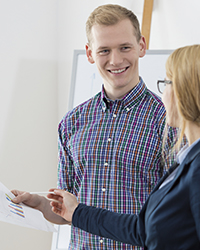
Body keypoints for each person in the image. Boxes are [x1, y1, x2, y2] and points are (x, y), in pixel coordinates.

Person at [11, 4, 179, 250]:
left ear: (141, 46)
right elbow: (67, 211)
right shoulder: (71, 123)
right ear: (89, 54)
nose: (115, 60)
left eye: (124, 47)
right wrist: (39, 203)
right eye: (104, 50)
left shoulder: (168, 120)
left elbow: (178, 213)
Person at [48, 44, 200, 250]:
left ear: (185, 92)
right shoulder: (190, 159)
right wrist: (76, 211)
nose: (163, 94)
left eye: (167, 82)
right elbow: (142, 230)